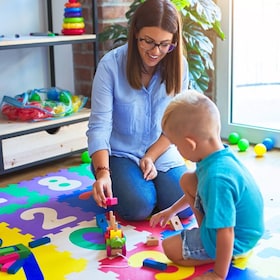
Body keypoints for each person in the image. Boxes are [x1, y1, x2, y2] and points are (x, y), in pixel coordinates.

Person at [86, 0, 193, 221]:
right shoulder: (110, 66)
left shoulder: (178, 65)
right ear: (135, 33)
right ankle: (118, 179)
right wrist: (103, 173)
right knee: (138, 206)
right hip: (120, 153)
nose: (156, 52)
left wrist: (151, 157)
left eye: (165, 44)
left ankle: (144, 186)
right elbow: (99, 126)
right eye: (149, 42)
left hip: (160, 151)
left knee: (186, 206)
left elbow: (176, 124)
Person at [150, 90, 264, 279]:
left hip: (236, 238)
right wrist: (171, 210)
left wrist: (219, 274)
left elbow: (225, 230)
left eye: (177, 146)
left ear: (190, 144)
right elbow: (196, 185)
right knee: (187, 179)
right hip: (244, 229)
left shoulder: (217, 179)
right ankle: (206, 235)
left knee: (169, 248)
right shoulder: (217, 156)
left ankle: (222, 254)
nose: (177, 150)